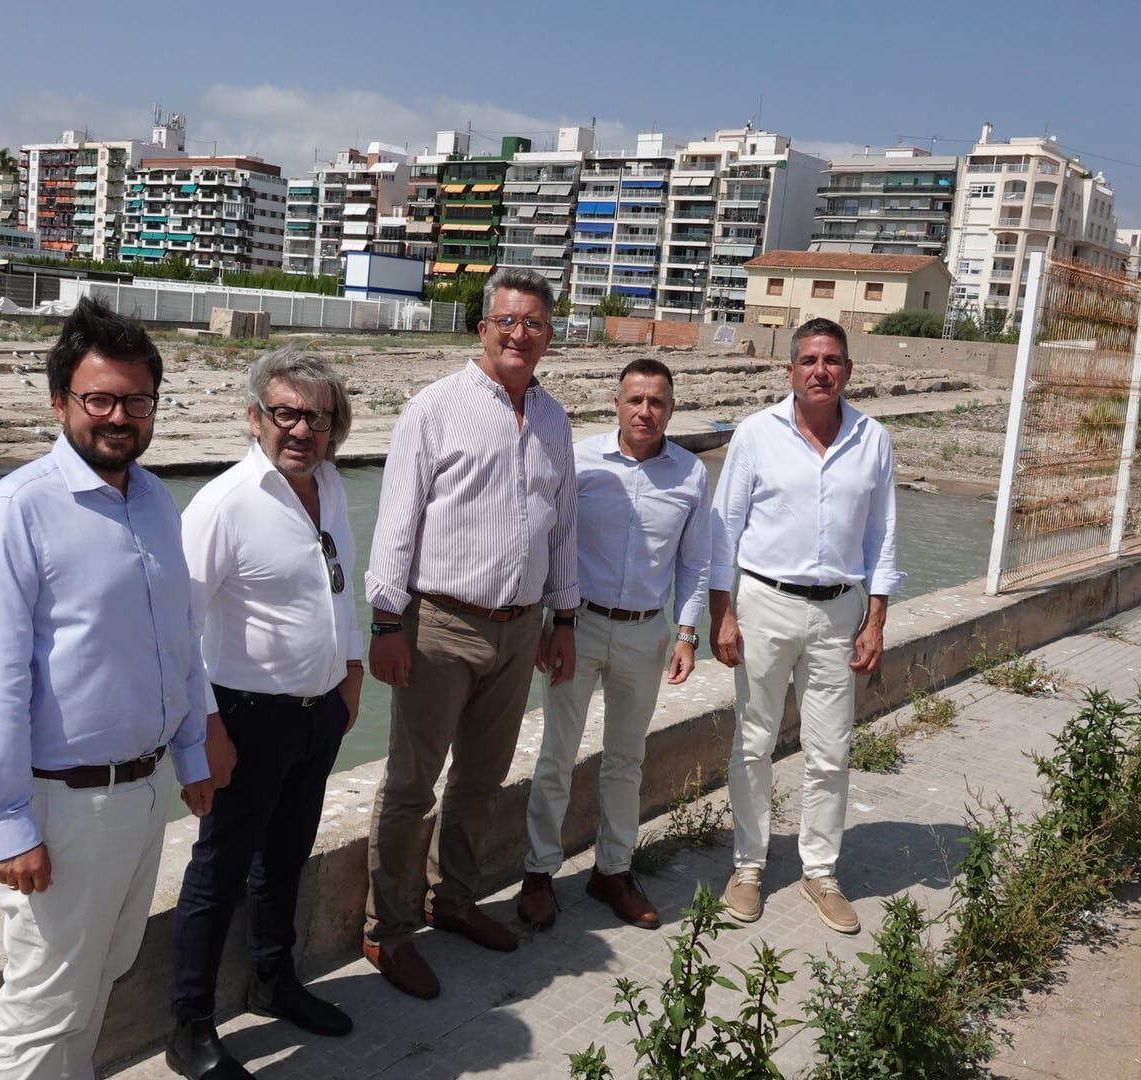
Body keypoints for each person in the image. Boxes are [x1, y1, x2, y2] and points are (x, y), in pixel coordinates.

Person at [0, 299, 229, 1079]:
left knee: (101, 975)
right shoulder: (15, 512)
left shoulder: (151, 500)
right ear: (60, 402)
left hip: (143, 792)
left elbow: (174, 638)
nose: (118, 416)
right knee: (43, 1008)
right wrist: (8, 821)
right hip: (65, 805)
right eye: (99, 399)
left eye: (136, 401)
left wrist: (192, 749)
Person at [361, 266, 580, 1000]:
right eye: (508, 321)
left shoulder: (554, 420)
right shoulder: (434, 409)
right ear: (482, 328)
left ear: (550, 336)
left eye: (535, 324)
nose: (521, 334)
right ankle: (386, 931)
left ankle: (451, 900)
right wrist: (387, 622)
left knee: (481, 781)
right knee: (410, 785)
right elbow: (397, 524)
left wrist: (565, 615)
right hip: (439, 627)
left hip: (520, 629)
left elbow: (563, 528)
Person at [166, 349, 362, 1079]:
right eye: (285, 412)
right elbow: (176, 628)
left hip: (317, 716)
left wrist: (352, 668)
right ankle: (189, 1027)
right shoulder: (223, 504)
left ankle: (274, 980)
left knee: (286, 858)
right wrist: (204, 729)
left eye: (316, 416)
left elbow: (340, 587)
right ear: (254, 418)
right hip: (244, 719)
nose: (301, 429)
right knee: (218, 873)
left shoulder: (330, 486)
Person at [707, 316, 901, 936]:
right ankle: (748, 867)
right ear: (790, 370)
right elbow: (723, 531)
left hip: (840, 609)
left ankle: (820, 871)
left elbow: (883, 538)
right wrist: (723, 613)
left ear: (848, 370)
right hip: (765, 602)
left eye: (833, 360)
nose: (821, 370)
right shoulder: (755, 434)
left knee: (831, 749)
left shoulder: (873, 440)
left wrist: (875, 620)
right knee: (754, 741)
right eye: (809, 360)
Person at [518, 357, 711, 933]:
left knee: (626, 759)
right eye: (635, 400)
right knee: (557, 754)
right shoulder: (579, 460)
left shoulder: (691, 474)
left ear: (671, 409)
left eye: (657, 402)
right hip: (577, 626)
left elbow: (696, 561)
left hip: (647, 631)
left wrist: (686, 632)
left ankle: (613, 870)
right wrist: (546, 621)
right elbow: (548, 540)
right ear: (617, 403)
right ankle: (538, 873)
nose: (645, 411)